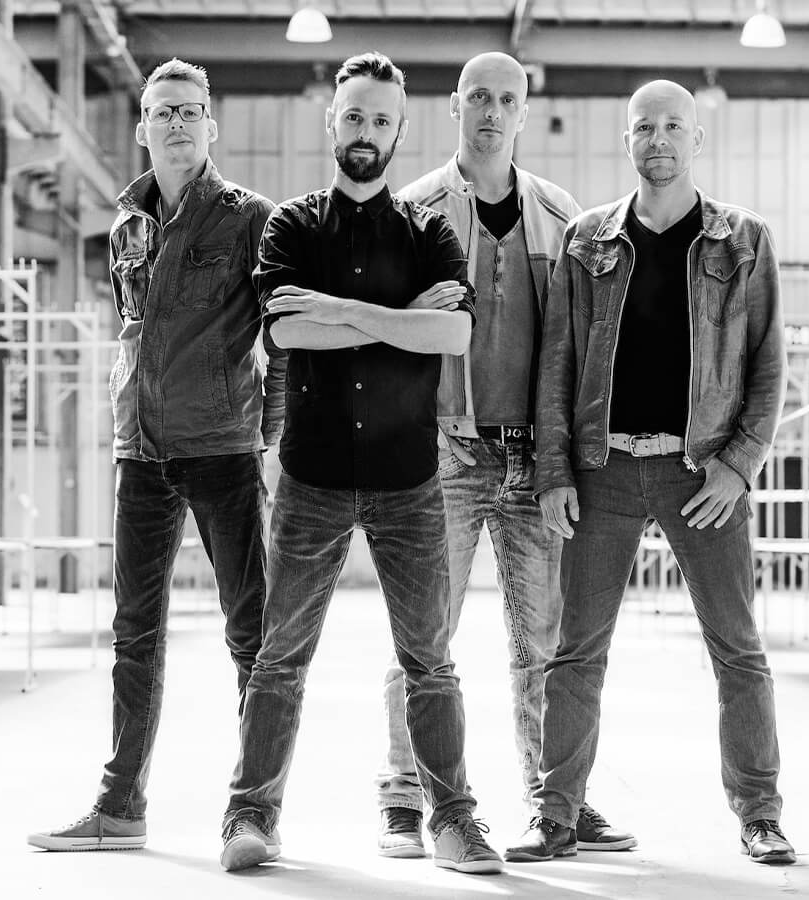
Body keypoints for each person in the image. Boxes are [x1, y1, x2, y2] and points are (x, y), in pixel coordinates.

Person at [218, 52, 502, 876]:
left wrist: (341, 309)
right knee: (279, 659)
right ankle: (250, 814)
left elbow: (454, 334)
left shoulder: (428, 232)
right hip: (311, 478)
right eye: (354, 117)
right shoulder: (292, 226)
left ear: (400, 130)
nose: (366, 132)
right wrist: (398, 318)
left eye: (381, 120)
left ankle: (454, 820)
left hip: (408, 480)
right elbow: (287, 331)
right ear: (331, 122)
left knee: (430, 662)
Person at [508, 79, 794, 865]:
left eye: (673, 127)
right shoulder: (588, 240)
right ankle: (556, 814)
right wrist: (554, 471)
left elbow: (769, 365)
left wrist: (739, 465)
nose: (658, 139)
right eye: (644, 127)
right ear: (627, 140)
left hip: (701, 475)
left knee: (737, 648)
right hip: (603, 470)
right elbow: (557, 363)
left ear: (696, 140)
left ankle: (760, 814)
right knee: (575, 652)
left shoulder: (743, 240)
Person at [376, 51, 634, 858]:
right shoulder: (412, 211)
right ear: (455, 107)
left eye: (506, 99)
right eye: (478, 97)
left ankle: (555, 800)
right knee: (424, 637)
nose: (492, 111)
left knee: (545, 646)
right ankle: (403, 794)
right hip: (442, 453)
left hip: (534, 461)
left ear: (523, 113)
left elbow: (583, 348)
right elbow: (381, 337)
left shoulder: (562, 217)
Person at [28, 58, 282, 852]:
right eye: (162, 111)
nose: (176, 122)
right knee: (133, 634)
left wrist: (267, 430)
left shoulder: (249, 219)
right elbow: (133, 331)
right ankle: (120, 806)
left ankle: (255, 811)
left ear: (211, 126)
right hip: (138, 451)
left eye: (189, 110)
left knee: (251, 635)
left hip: (222, 449)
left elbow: (284, 339)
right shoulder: (128, 227)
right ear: (142, 128)